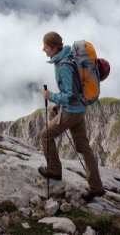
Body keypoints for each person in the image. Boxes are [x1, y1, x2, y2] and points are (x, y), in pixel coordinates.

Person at [39, 31, 105, 202]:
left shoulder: (64, 66)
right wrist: (59, 105)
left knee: (45, 135)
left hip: (72, 111)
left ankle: (54, 170)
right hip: (79, 109)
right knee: (83, 146)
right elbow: (73, 90)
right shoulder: (68, 58)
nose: (43, 49)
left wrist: (51, 96)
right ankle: (96, 187)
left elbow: (69, 94)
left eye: (45, 46)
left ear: (54, 48)